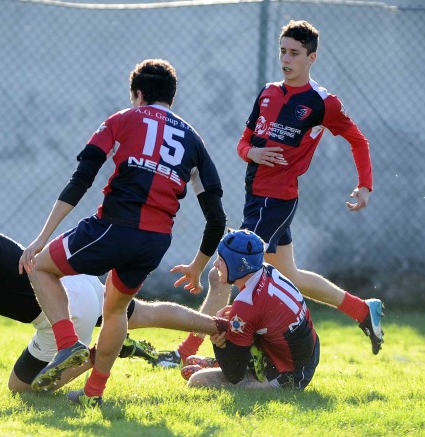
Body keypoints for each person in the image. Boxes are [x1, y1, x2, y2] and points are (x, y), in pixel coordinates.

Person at [157, 19, 384, 367]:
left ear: (311, 57)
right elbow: (242, 143)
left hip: (276, 201)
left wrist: (365, 185)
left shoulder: (323, 103)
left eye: (294, 53)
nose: (286, 59)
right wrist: (253, 153)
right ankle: (363, 310)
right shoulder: (267, 93)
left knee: (224, 272)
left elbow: (359, 141)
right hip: (256, 198)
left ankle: (186, 352)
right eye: (282, 51)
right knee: (290, 276)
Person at [0, 190, 223, 394]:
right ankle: (221, 328)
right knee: (144, 312)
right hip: (74, 286)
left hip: (58, 314)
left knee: (21, 388)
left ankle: (107, 350)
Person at [19, 59, 227, 408]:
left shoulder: (122, 119)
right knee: (116, 311)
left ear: (138, 94)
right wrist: (197, 266)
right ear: (171, 97)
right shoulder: (194, 140)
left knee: (40, 267)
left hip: (115, 227)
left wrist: (41, 238)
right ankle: (93, 393)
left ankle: (68, 344)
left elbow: (81, 179)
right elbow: (217, 219)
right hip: (155, 242)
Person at [187, 229, 320, 390]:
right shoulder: (268, 270)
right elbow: (264, 314)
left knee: (197, 381)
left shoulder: (246, 304)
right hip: (309, 351)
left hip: (292, 375)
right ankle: (243, 361)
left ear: (238, 265)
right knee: (236, 330)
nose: (215, 264)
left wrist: (218, 342)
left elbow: (234, 375)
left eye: (221, 259)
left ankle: (238, 364)